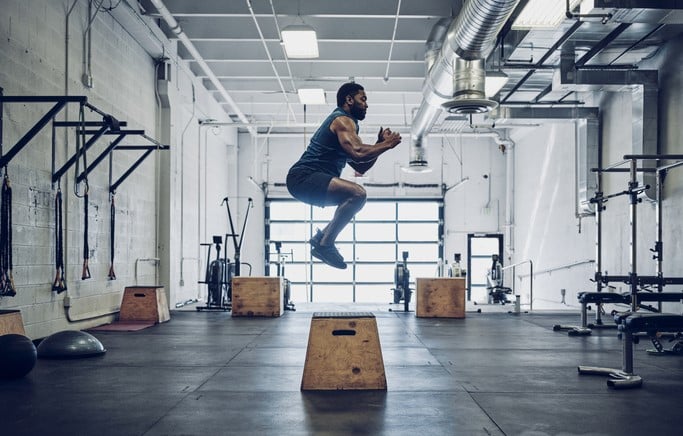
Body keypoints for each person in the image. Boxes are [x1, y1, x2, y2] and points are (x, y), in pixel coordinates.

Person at [286, 82, 402, 269]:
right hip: (303, 177)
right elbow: (358, 151)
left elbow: (360, 165)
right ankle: (326, 244)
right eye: (362, 99)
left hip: (307, 181)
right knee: (358, 194)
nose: (366, 104)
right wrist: (387, 144)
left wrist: (380, 144)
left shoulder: (348, 126)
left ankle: (321, 239)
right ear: (349, 100)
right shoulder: (342, 120)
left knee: (352, 199)